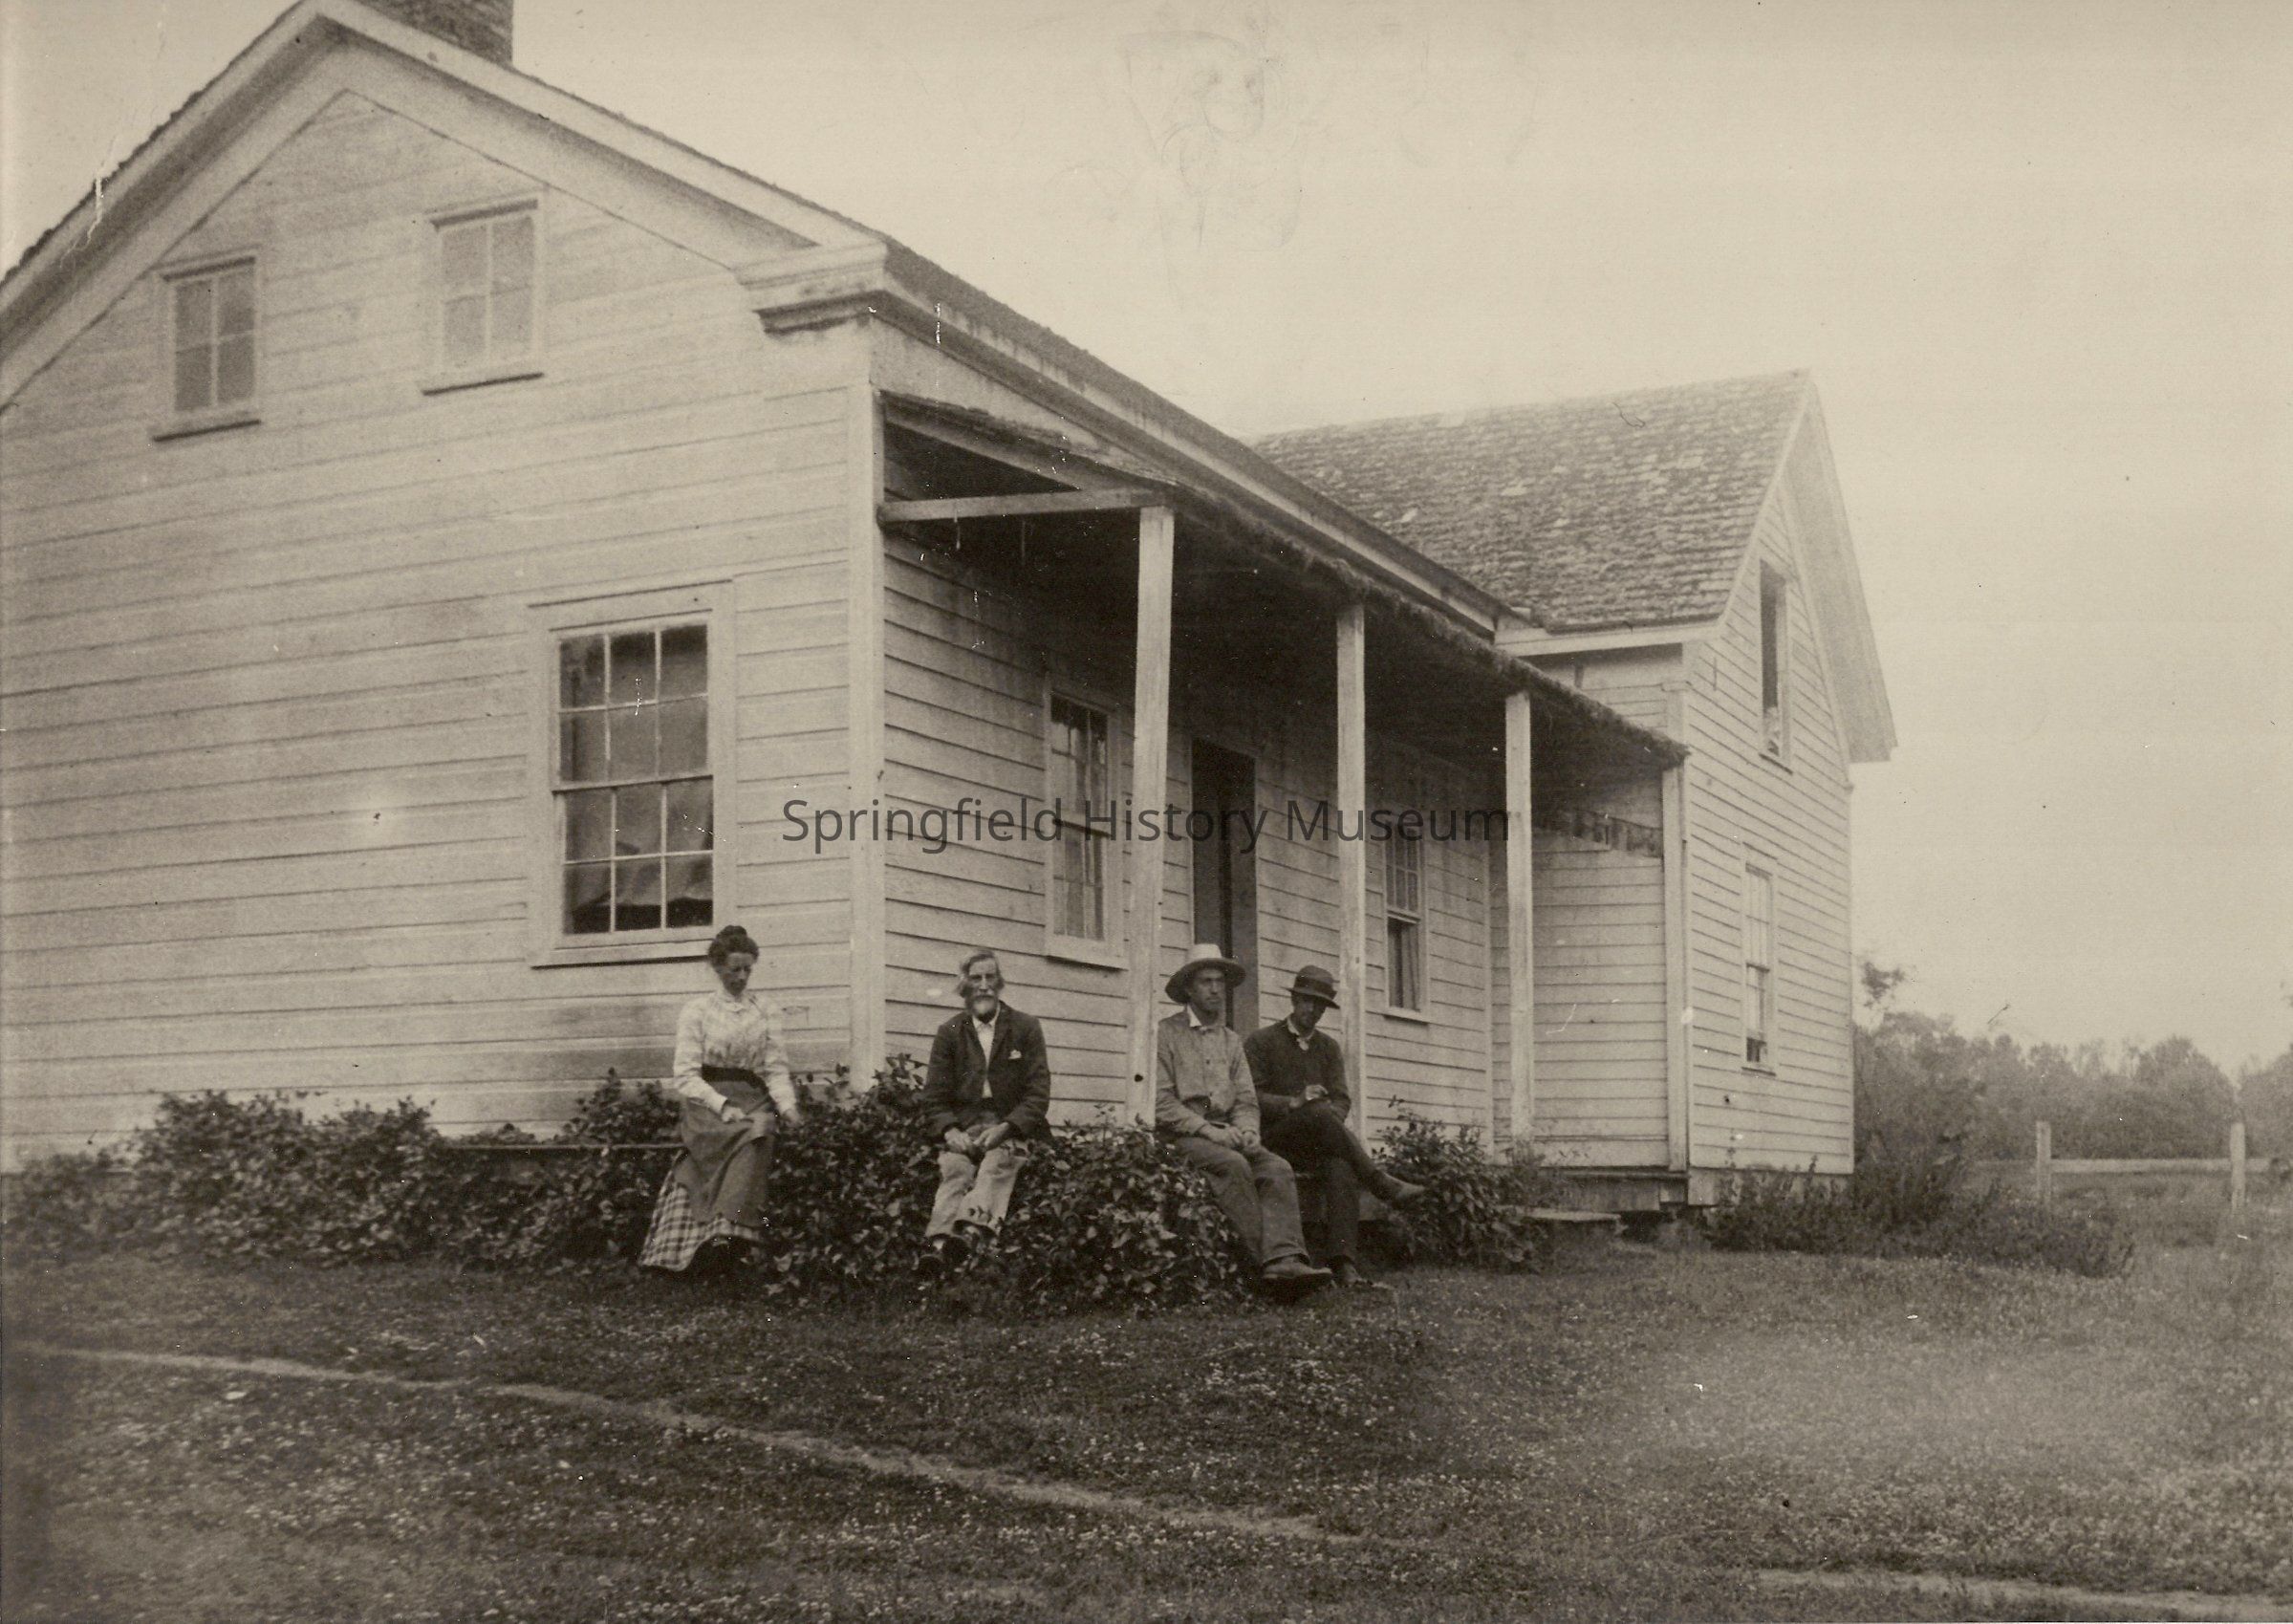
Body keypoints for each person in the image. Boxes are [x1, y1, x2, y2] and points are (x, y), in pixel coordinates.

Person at [1155, 942, 1332, 1292]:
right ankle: (1263, 1265)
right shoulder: (1165, 1033)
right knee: (1234, 1165)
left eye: (1220, 982)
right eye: (1206, 981)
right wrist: (1208, 1131)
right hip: (1182, 1137)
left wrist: (1248, 1130)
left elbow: (1247, 1100)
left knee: (1276, 1166)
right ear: (1188, 988)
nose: (1215, 989)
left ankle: (1287, 1258)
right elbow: (1161, 1102)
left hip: (1229, 1134)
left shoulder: (1231, 1040)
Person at [1244, 965, 1424, 1290]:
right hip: (1274, 1140)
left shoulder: (1328, 1048)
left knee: (1341, 1164)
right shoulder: (1262, 1041)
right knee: (1315, 1111)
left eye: (1320, 1005)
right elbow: (1250, 1097)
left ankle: (1344, 1264)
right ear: (1294, 1000)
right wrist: (1295, 1102)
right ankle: (1379, 1181)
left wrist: (1326, 1119)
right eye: (1307, 1001)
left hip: (1317, 1140)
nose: (1312, 1010)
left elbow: (1342, 1099)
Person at [638, 924, 800, 1274]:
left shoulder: (765, 1010)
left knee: (759, 1130)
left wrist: (788, 1108)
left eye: (747, 970)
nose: (741, 977)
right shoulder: (697, 1011)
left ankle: (729, 1234)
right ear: (717, 967)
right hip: (706, 1102)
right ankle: (701, 1242)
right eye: (734, 969)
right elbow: (685, 1075)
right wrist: (722, 1106)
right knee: (737, 1135)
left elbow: (775, 1069)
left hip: (752, 1097)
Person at [919, 949, 1052, 1266]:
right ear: (964, 985)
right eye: (975, 978)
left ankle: (969, 1235)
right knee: (955, 1168)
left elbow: (1038, 1094)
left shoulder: (1025, 1027)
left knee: (997, 1163)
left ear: (999, 982)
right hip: (966, 1125)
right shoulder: (950, 1032)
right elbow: (934, 1097)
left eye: (990, 977)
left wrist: (1007, 1127)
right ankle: (938, 1245)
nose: (983, 986)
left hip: (1010, 1126)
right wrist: (950, 1131)